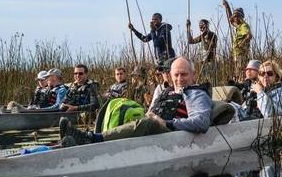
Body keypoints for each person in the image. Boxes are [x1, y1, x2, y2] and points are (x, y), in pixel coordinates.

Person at [59, 56, 212, 146]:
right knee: (123, 110)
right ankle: (86, 137)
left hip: (172, 134)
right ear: (171, 75)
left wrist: (168, 123)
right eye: (176, 75)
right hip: (153, 129)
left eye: (184, 74)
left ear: (193, 74)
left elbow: (202, 122)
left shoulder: (197, 94)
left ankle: (92, 139)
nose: (179, 79)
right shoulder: (166, 90)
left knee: (149, 123)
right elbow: (150, 112)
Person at [222, 0, 252, 78]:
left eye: (236, 17)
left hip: (241, 54)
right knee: (237, 72)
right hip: (237, 54)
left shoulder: (243, 26)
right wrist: (227, 6)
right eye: (234, 17)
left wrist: (241, 44)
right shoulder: (239, 26)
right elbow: (230, 20)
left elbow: (249, 36)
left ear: (240, 17)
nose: (234, 19)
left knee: (241, 72)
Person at [186, 18, 218, 85]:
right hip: (203, 61)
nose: (201, 27)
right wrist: (188, 28)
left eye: (203, 25)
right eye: (200, 25)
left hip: (211, 61)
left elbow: (213, 46)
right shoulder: (202, 36)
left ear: (207, 26)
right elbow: (191, 41)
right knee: (204, 78)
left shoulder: (212, 35)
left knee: (211, 78)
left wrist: (206, 35)